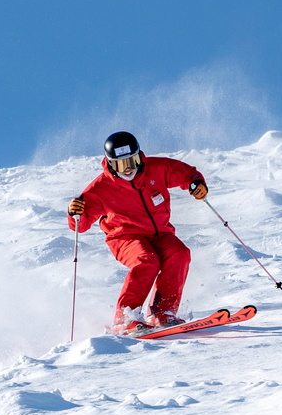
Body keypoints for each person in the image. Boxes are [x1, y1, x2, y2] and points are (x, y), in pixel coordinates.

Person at [68, 131, 209, 333]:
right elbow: (79, 225)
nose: (127, 169)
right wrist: (75, 213)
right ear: (109, 163)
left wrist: (196, 183)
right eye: (120, 164)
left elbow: (185, 173)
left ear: (139, 156)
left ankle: (163, 313)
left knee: (180, 254)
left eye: (131, 161)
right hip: (124, 237)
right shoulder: (101, 188)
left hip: (160, 233)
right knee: (147, 261)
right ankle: (125, 318)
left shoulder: (156, 169)